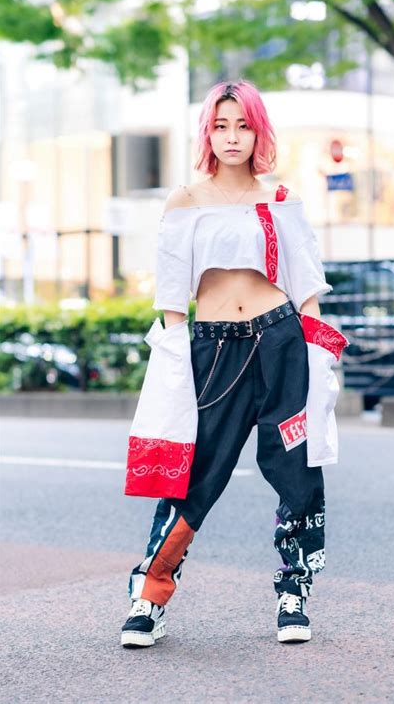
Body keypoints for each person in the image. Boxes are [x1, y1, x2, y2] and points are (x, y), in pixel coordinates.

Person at [121, 79, 349, 648]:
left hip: (280, 342)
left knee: (297, 471)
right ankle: (149, 597)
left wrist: (317, 359)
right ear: (207, 133)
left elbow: (306, 285)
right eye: (220, 126)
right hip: (213, 350)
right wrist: (176, 374)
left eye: (242, 125)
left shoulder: (280, 199)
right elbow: (174, 301)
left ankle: (293, 594)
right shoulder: (185, 200)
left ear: (257, 131)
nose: (231, 137)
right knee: (193, 476)